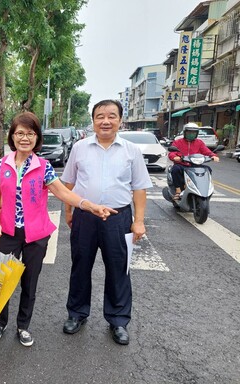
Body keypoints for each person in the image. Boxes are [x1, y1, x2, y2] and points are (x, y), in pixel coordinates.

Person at [0, 111, 115, 347]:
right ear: (12, 137)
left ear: (36, 137)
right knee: (2, 280)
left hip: (36, 235)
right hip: (7, 232)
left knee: (29, 281)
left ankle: (23, 326)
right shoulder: (1, 164)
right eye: (19, 133)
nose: (24, 138)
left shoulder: (43, 166)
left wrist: (89, 206)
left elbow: (64, 192)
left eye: (30, 133)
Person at [60, 99, 153, 346]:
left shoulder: (131, 150)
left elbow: (140, 188)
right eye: (100, 116)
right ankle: (77, 313)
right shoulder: (79, 148)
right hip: (85, 216)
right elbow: (68, 183)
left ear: (120, 120)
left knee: (118, 269)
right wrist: (68, 211)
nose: (105, 121)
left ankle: (118, 320)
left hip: (118, 218)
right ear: (93, 121)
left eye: (112, 116)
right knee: (80, 266)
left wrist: (139, 221)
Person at [168, 122, 219, 200]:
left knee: (208, 169)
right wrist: (175, 157)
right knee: (175, 169)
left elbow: (207, 151)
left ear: (197, 133)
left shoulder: (199, 143)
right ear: (185, 132)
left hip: (195, 165)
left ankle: (205, 188)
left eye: (194, 132)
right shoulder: (178, 142)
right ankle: (178, 191)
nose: (191, 134)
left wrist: (213, 156)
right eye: (189, 132)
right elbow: (172, 152)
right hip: (182, 164)